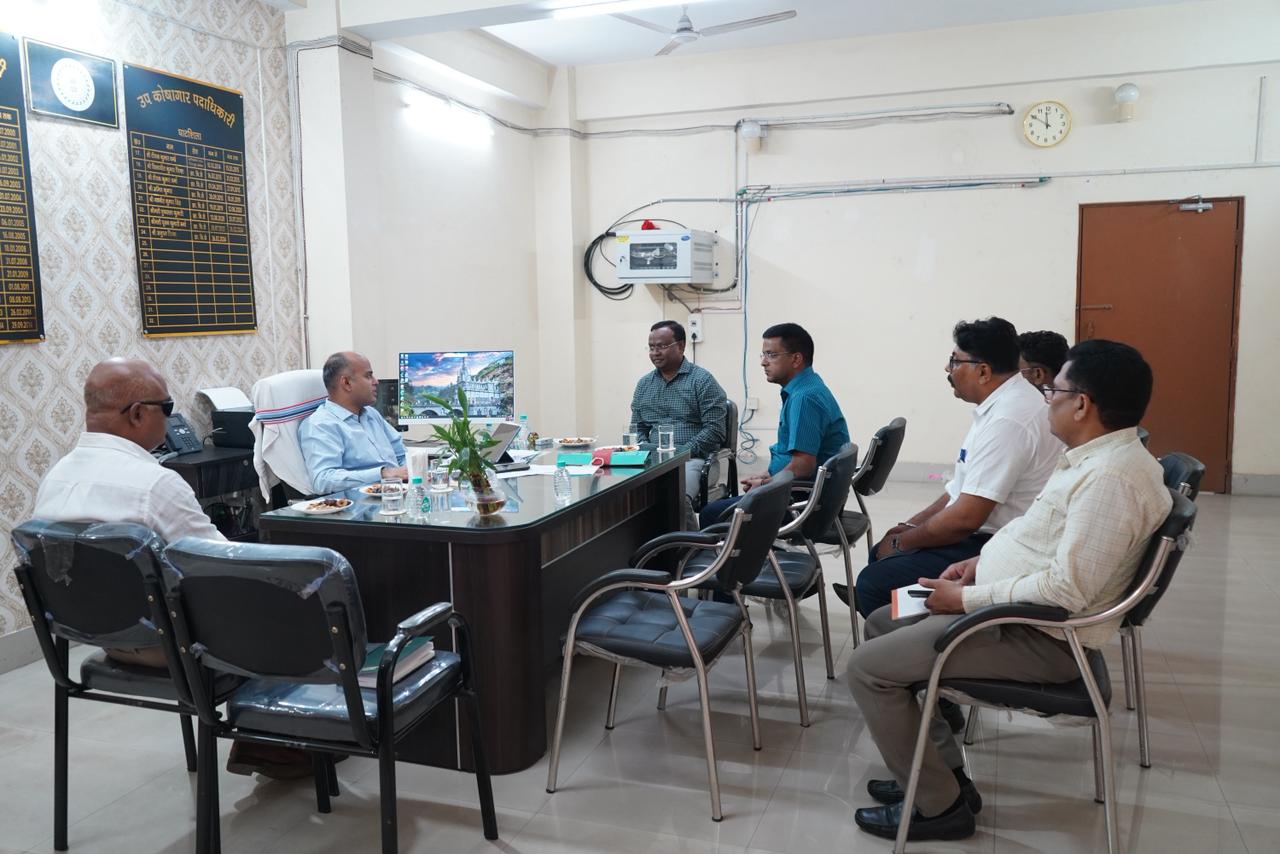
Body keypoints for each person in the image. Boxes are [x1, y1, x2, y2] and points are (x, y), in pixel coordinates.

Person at [845, 339, 1172, 842]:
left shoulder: (1110, 480)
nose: (1047, 399)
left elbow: (1066, 591)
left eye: (1054, 391)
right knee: (881, 620)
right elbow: (1036, 535)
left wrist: (964, 600)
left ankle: (939, 808)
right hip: (1011, 611)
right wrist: (977, 564)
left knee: (867, 669)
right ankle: (944, 776)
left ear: (1082, 404)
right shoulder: (1093, 458)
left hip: (1041, 636)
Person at [34, 358, 311, 779]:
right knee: (288, 601)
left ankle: (267, 737)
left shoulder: (55, 478)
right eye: (167, 407)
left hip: (98, 637)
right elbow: (225, 565)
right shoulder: (154, 484)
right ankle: (270, 739)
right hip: (170, 646)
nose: (170, 417)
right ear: (137, 414)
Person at [834, 317, 1060, 619]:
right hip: (988, 532)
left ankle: (925, 640)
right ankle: (901, 619)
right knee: (882, 553)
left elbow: (965, 518)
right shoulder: (1002, 405)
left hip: (998, 543)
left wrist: (903, 542)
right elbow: (959, 490)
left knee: (876, 582)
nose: (947, 368)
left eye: (955, 361)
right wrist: (910, 527)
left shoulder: (1008, 420)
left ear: (983, 371)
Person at [698, 323, 849, 528]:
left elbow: (803, 466)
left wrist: (765, 485)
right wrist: (769, 475)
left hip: (803, 504)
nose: (763, 362)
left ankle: (747, 551)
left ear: (796, 359)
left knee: (711, 514)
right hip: (808, 495)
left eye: (771, 355)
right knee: (722, 509)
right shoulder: (808, 386)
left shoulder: (804, 398)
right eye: (763, 354)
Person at [629, 320, 727, 512]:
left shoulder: (702, 381)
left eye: (661, 346)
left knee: (676, 496)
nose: (655, 353)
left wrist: (681, 453)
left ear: (681, 346)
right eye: (651, 347)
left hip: (694, 460)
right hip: (653, 459)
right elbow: (637, 428)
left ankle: (687, 534)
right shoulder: (644, 384)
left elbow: (715, 430)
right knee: (625, 494)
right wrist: (645, 450)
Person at [299, 351, 408, 494]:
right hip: (363, 502)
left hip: (397, 493)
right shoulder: (320, 425)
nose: (376, 381)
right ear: (346, 383)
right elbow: (323, 480)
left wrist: (411, 471)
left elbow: (401, 454)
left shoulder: (371, 414)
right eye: (368, 376)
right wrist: (383, 474)